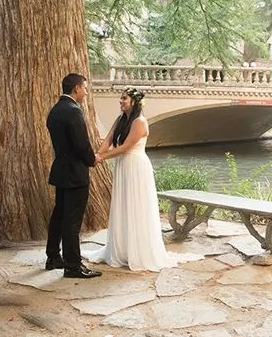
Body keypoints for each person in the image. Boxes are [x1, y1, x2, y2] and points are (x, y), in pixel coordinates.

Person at [83, 87, 176, 271]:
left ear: (133, 102)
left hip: (136, 167)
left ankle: (138, 251)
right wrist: (96, 153)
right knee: (123, 205)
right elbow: (109, 139)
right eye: (121, 98)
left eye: (124, 99)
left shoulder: (140, 122)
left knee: (136, 206)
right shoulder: (120, 120)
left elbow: (126, 147)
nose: (120, 101)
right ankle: (122, 248)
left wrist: (102, 158)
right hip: (123, 167)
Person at [46, 73, 103, 279]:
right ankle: (73, 266)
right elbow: (81, 144)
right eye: (85, 88)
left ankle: (53, 256)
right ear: (77, 88)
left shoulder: (55, 110)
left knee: (59, 215)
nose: (86, 92)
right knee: (72, 221)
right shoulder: (73, 111)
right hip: (75, 174)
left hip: (61, 170)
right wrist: (92, 159)